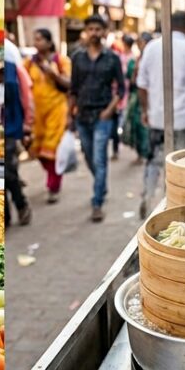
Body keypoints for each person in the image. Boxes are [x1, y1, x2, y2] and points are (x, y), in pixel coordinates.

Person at [137, 11, 185, 218]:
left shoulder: (151, 47)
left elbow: (141, 85)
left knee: (153, 159)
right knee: (181, 164)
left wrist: (145, 110)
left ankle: (148, 195)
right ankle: (174, 203)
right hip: (183, 120)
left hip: (157, 118)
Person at [68, 14, 123, 223]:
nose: (94, 33)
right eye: (90, 29)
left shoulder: (112, 58)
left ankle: (97, 202)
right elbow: (73, 89)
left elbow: (121, 88)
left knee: (99, 158)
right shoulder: (77, 58)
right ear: (86, 31)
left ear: (104, 32)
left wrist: (110, 110)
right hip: (82, 115)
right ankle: (102, 184)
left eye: (97, 29)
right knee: (89, 156)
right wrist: (68, 114)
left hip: (103, 115)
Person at [23, 29, 70, 203]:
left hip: (57, 110)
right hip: (36, 114)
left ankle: (53, 186)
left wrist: (51, 73)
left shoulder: (61, 61)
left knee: (53, 149)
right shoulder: (28, 63)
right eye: (35, 39)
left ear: (50, 43)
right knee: (39, 150)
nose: (37, 43)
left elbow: (69, 84)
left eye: (40, 39)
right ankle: (52, 178)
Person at [3, 58, 32, 226]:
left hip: (13, 129)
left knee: (9, 172)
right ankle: (6, 216)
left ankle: (21, 205)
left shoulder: (13, 68)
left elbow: (26, 98)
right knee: (6, 173)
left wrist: (27, 125)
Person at [123, 33, 153, 165]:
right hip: (136, 98)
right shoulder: (134, 61)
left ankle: (148, 153)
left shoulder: (153, 61)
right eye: (140, 43)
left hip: (149, 98)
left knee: (145, 127)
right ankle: (140, 153)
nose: (142, 46)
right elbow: (131, 81)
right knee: (135, 125)